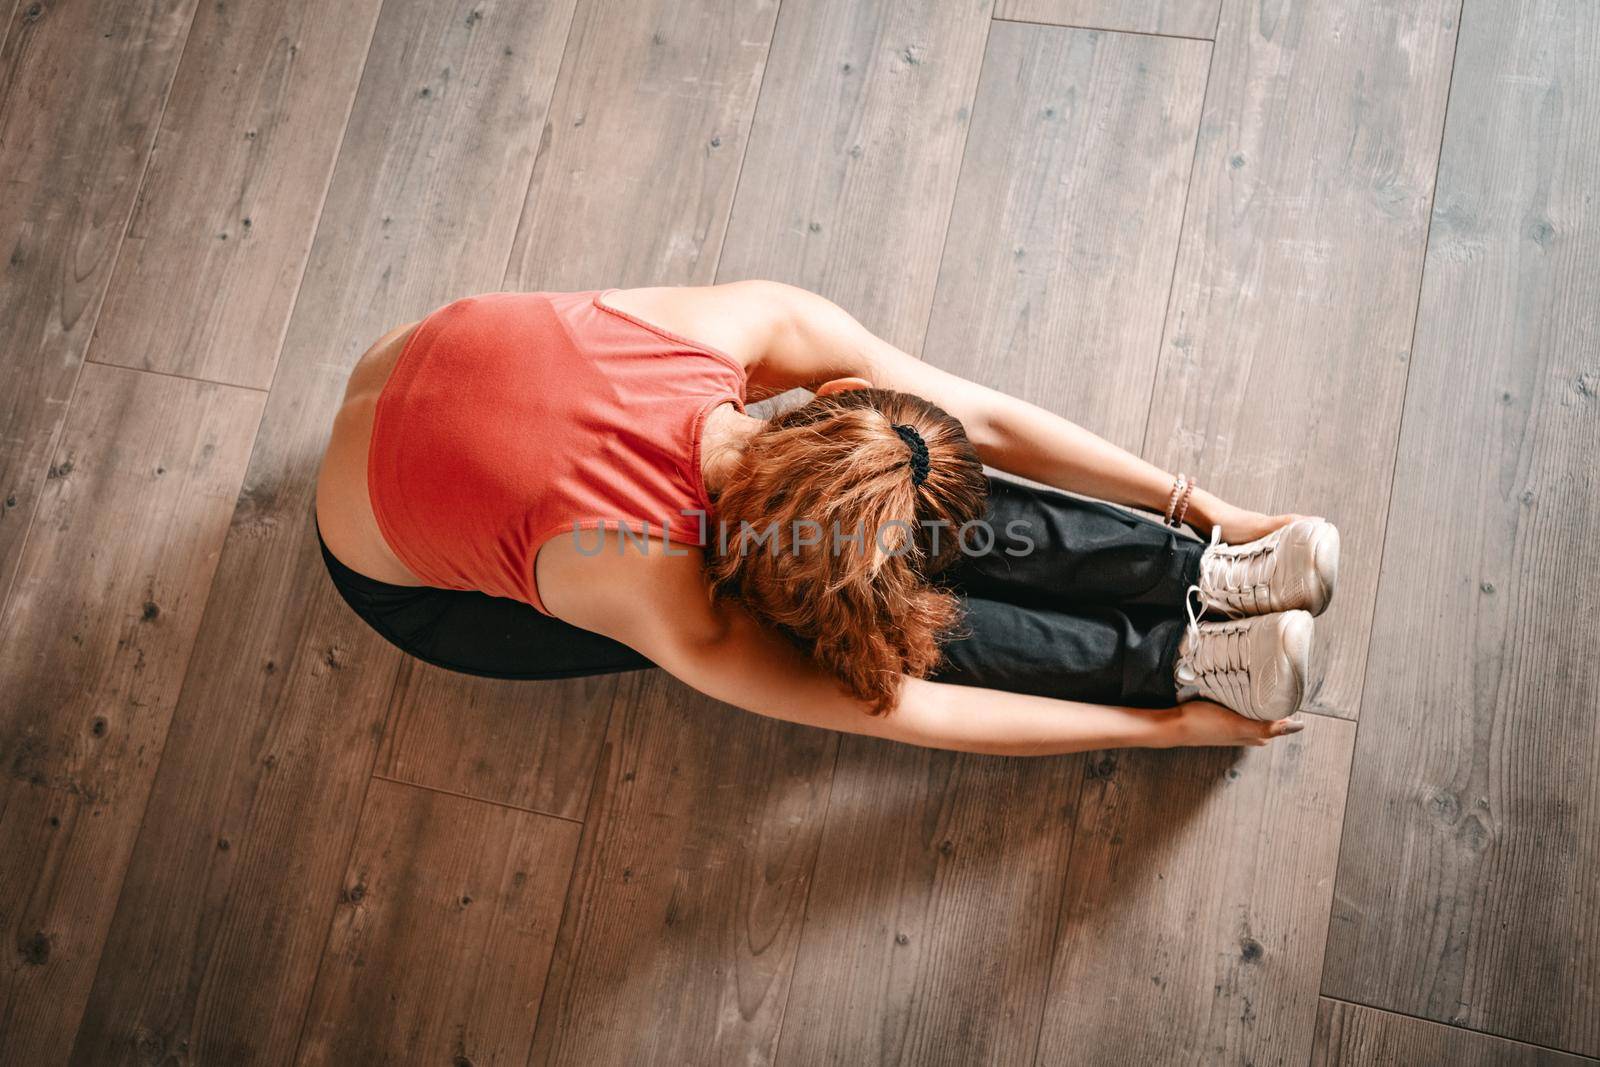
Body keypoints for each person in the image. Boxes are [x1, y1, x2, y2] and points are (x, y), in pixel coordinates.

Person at [314, 281, 1339, 756]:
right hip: (406, 583)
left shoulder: (753, 327)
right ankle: (1176, 657)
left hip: (409, 362)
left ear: (833, 400)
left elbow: (974, 418)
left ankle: (1199, 568)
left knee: (909, 488)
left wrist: (1201, 505)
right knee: (868, 621)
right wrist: (1166, 724)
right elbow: (906, 706)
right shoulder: (656, 585)